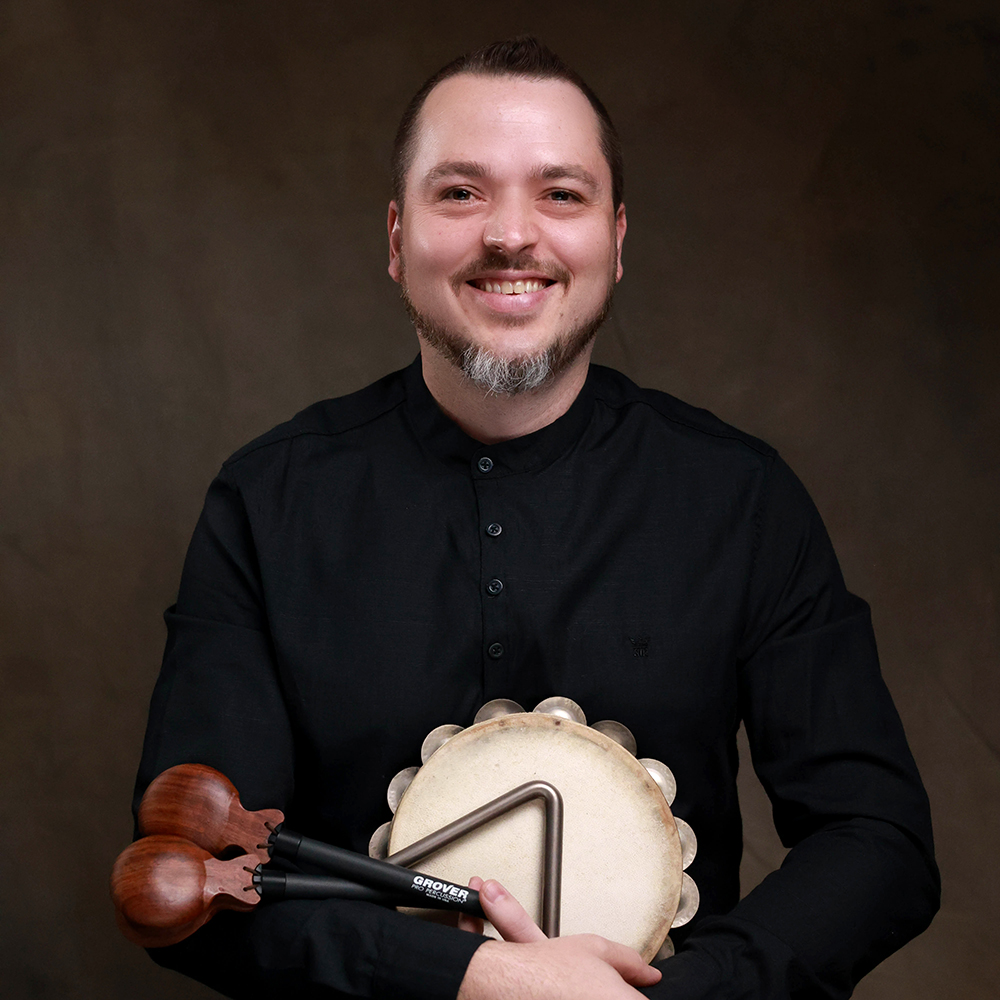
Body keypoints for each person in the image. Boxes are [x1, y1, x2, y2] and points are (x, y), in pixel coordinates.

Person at [132, 37, 939, 1000]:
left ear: (617, 239)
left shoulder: (742, 497)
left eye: (560, 193)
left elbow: (876, 840)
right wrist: (478, 977)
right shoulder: (267, 502)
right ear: (396, 238)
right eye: (460, 192)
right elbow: (192, 877)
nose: (512, 235)